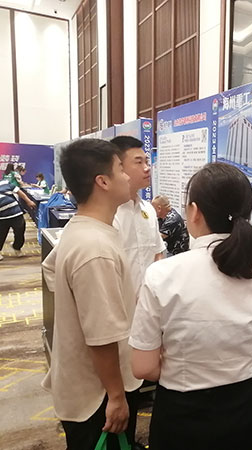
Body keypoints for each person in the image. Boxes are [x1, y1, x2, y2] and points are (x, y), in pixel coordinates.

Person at [129, 162, 252, 450]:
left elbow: (143, 366)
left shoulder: (161, 275)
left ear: (194, 211)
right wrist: (236, 363)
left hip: (183, 418)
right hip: (249, 412)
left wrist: (187, 368)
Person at [41, 139, 142, 450]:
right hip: (99, 397)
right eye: (121, 169)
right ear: (103, 181)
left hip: (89, 386)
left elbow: (50, 268)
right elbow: (101, 336)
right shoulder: (95, 248)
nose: (127, 176)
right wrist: (116, 396)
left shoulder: (83, 230)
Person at [110, 136, 165, 296]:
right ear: (118, 167)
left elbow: (157, 252)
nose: (147, 168)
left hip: (149, 302)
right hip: (118, 304)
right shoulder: (108, 213)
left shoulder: (148, 209)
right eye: (138, 162)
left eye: (146, 162)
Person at [0, 177, 36, 260]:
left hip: (16, 213)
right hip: (1, 218)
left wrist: (28, 201)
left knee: (20, 232)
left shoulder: (4, 183)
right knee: (1, 235)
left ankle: (16, 247)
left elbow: (18, 191)